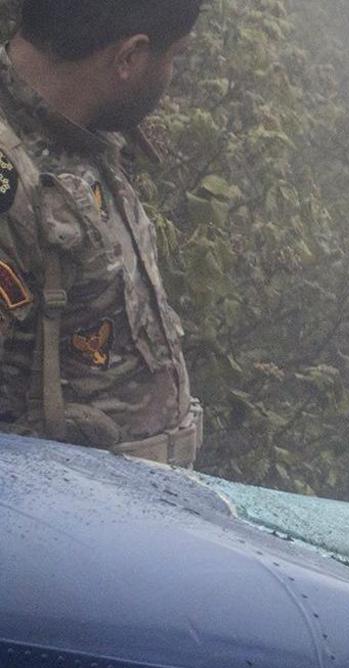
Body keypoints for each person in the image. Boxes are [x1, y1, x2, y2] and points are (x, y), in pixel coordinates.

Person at [0, 0, 201, 465]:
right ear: (129, 57)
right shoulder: (11, 179)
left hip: (127, 515)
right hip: (52, 522)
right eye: (176, 56)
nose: (171, 76)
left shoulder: (83, 134)